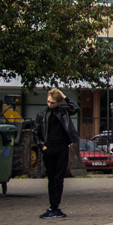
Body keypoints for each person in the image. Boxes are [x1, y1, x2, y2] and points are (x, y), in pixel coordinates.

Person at [35, 88, 79, 218]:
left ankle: (55, 207)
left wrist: (64, 96)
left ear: (58, 102)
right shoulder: (42, 114)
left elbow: (75, 108)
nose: (50, 104)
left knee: (59, 178)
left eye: (53, 102)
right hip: (49, 148)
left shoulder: (64, 112)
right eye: (48, 101)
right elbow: (35, 132)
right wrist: (42, 146)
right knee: (51, 178)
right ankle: (51, 206)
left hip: (62, 148)